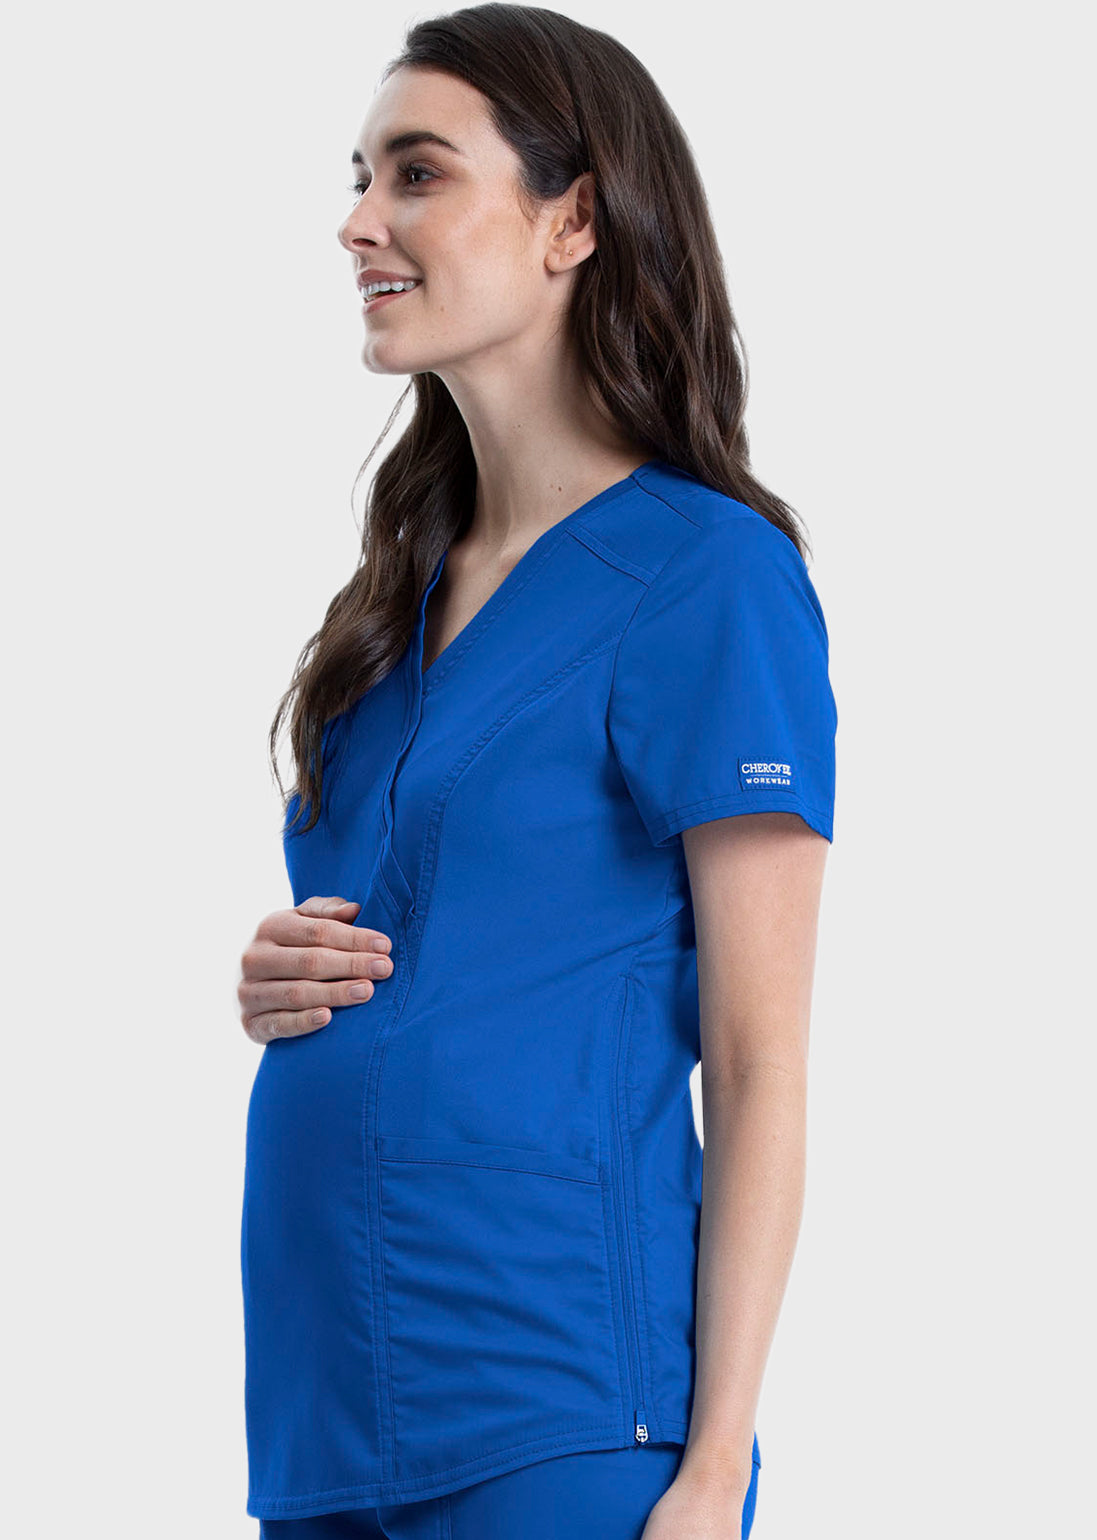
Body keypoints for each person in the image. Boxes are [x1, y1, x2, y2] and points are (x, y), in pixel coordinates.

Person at [237, 6, 837, 1538]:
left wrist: (712, 1471)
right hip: (325, 1404)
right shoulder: (396, 600)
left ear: (573, 221)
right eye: (360, 178)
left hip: (554, 1407)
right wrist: (287, 976)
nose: (359, 222)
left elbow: (760, 1058)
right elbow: (455, 937)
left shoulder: (705, 578)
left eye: (418, 174)